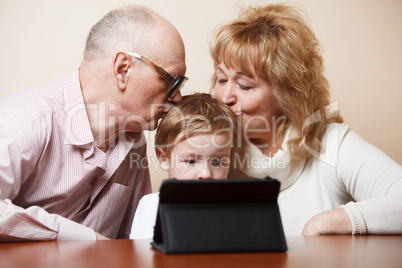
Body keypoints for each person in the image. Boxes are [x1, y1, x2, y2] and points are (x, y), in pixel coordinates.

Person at [209, 4, 402, 235]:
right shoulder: (207, 153)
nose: (225, 97)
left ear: (286, 93)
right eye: (221, 80)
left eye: (244, 85)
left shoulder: (332, 145)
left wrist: (330, 222)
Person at [0, 5, 187, 241]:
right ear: (122, 70)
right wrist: (81, 237)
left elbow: (136, 241)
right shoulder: (27, 120)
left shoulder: (135, 141)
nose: (177, 96)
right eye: (173, 80)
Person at [130, 93, 238, 239]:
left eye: (218, 162)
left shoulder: (237, 208)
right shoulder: (153, 207)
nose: (206, 174)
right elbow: (144, 257)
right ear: (164, 159)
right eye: (191, 161)